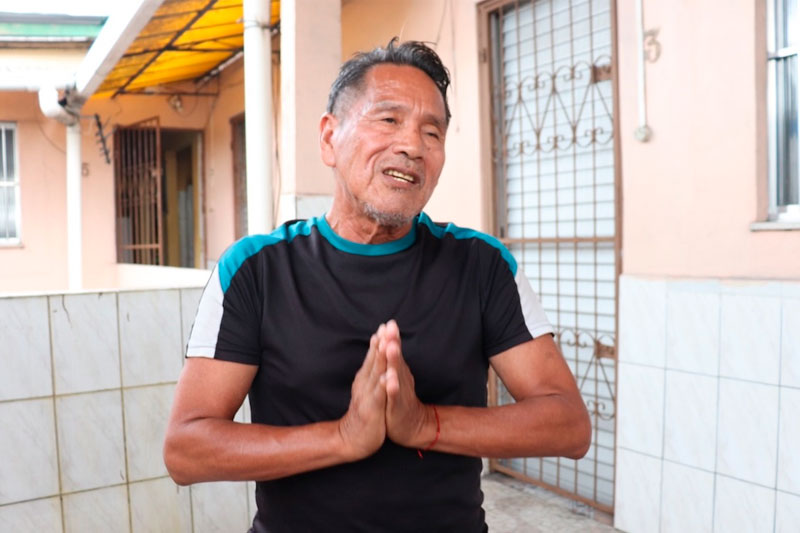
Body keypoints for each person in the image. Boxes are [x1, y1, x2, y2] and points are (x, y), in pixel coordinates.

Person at [164, 38, 591, 532]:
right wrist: (344, 437)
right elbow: (186, 450)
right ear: (330, 138)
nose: (413, 146)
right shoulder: (255, 269)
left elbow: (568, 424)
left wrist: (424, 424)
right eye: (389, 120)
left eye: (432, 132)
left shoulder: (482, 265)